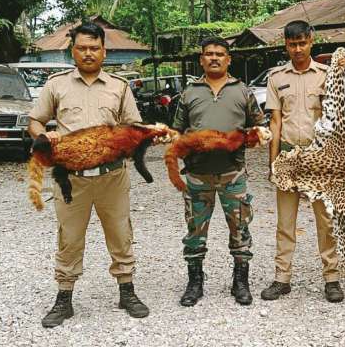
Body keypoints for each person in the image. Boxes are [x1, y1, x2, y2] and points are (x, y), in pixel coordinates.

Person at [28, 22, 149, 328]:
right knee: (69, 238)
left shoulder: (119, 87)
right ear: (73, 51)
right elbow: (35, 121)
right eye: (82, 48)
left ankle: (127, 292)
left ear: (104, 51)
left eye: (94, 48)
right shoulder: (57, 85)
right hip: (72, 180)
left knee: (121, 235)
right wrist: (44, 138)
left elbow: (134, 126)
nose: (88, 53)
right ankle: (64, 299)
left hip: (112, 177)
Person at [171, 36, 263, 307]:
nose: (214, 58)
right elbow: (177, 131)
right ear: (201, 59)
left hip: (233, 173)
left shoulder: (242, 91)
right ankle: (195, 281)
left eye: (220, 54)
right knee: (195, 231)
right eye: (209, 54)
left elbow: (259, 126)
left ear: (228, 59)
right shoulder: (189, 92)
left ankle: (240, 281)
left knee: (240, 229)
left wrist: (249, 137)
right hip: (197, 175)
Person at [261, 20, 345, 303]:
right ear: (285, 44)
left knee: (326, 220)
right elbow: (274, 122)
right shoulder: (276, 78)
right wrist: (273, 164)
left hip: (319, 159)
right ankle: (282, 278)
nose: (297, 49)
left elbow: (338, 120)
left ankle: (332, 278)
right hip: (288, 158)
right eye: (291, 44)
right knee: (285, 222)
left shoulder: (327, 75)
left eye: (302, 43)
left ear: (311, 41)